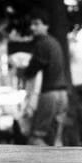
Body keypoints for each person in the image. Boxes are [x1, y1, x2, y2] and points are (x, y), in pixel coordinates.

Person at [17, 9, 69, 146]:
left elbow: (32, 70)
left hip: (49, 94)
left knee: (36, 138)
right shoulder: (55, 43)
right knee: (56, 139)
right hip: (62, 95)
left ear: (46, 25)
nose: (32, 27)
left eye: (36, 24)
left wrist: (24, 72)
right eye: (32, 24)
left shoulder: (42, 44)